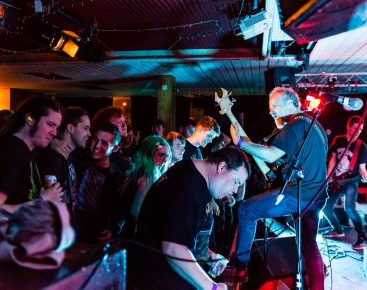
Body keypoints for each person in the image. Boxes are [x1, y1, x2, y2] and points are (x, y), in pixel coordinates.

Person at [229, 87, 328, 290]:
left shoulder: (295, 126)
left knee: (246, 209)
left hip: (297, 195)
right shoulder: (315, 125)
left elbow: (271, 155)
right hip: (317, 196)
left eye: (274, 106)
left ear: (291, 103)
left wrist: (239, 142)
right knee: (308, 245)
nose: (271, 111)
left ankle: (239, 267)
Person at [129, 146, 250, 290]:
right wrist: (212, 287)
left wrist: (208, 254)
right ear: (222, 167)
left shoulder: (194, 173)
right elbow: (174, 248)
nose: (236, 190)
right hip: (155, 279)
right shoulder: (189, 190)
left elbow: (179, 230)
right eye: (236, 182)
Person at [0, 96, 63, 212]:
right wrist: (42, 200)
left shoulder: (25, 152)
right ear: (30, 119)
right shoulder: (9, 151)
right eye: (50, 124)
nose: (54, 133)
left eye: (57, 127)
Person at [323, 115, 367, 249]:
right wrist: (329, 176)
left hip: (351, 180)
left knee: (349, 208)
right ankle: (338, 230)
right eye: (356, 128)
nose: (358, 131)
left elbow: (362, 168)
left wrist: (365, 176)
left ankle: (363, 238)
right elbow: (332, 159)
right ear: (348, 126)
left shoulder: (361, 146)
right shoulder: (338, 140)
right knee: (326, 208)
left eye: (361, 129)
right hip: (336, 180)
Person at [35, 106, 91, 215]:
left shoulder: (70, 156)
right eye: (86, 128)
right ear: (70, 128)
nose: (89, 133)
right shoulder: (54, 158)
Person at [75, 123, 125, 242]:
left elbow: (121, 210)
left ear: (114, 148)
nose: (97, 145)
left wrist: (112, 230)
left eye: (104, 143)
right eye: (95, 140)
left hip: (97, 237)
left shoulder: (118, 178)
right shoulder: (79, 163)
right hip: (73, 233)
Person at [116, 135, 171, 237]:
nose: (164, 160)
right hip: (133, 236)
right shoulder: (148, 176)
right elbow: (135, 211)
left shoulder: (140, 172)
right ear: (148, 154)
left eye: (167, 156)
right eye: (161, 155)